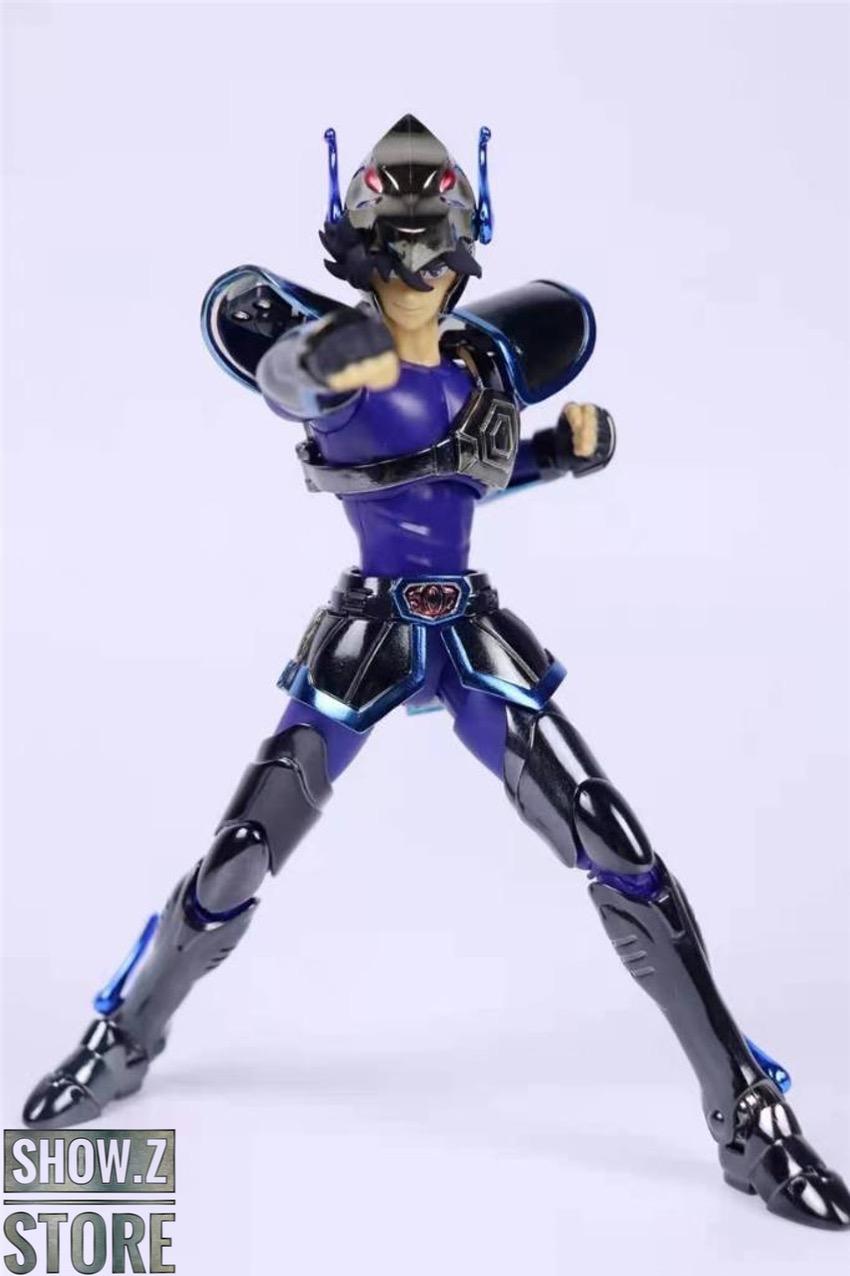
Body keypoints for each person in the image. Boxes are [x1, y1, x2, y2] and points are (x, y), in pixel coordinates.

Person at [23, 115, 849, 1231]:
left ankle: (745, 1115)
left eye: (435, 256)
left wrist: (561, 455)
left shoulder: (480, 366)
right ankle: (123, 1037)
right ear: (360, 259)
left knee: (616, 844)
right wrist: (326, 357)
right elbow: (285, 378)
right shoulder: (340, 365)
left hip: (468, 633)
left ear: (464, 256)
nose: (417, 278)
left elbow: (465, 481)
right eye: (394, 256)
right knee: (239, 854)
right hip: (367, 633)